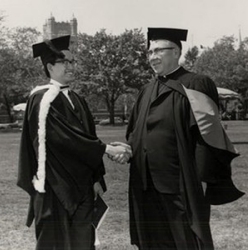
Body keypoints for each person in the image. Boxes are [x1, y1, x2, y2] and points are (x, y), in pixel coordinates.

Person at [112, 28, 244, 250]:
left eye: (158, 51)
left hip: (180, 183)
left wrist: (202, 179)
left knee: (187, 240)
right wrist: (128, 149)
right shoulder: (146, 90)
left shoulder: (196, 85)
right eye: (149, 52)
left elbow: (207, 136)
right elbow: (135, 132)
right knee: (153, 241)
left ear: (176, 52)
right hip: (145, 184)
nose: (152, 56)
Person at [17, 35, 130, 250]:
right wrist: (106, 149)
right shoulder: (41, 99)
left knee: (82, 243)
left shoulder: (77, 98)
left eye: (73, 62)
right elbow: (65, 138)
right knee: (54, 243)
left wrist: (96, 178)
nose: (71, 66)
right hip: (54, 188)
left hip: (82, 188)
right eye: (64, 61)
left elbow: (89, 137)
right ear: (50, 66)